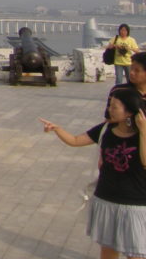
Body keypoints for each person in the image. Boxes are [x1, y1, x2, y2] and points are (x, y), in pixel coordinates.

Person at [39, 88, 146, 259]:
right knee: (108, 252)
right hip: (106, 199)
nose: (109, 109)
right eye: (110, 105)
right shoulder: (105, 129)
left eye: (115, 106)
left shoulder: (142, 134)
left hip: (135, 206)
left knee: (136, 254)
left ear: (129, 113)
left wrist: (144, 130)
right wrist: (57, 129)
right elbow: (75, 141)